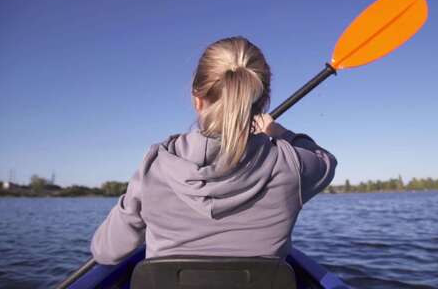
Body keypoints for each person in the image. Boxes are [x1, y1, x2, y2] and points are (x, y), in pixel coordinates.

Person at [90, 36, 337, 265]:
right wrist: (280, 133)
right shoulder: (290, 166)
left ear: (197, 100)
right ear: (262, 101)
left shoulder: (155, 166)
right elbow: (325, 160)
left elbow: (105, 252)